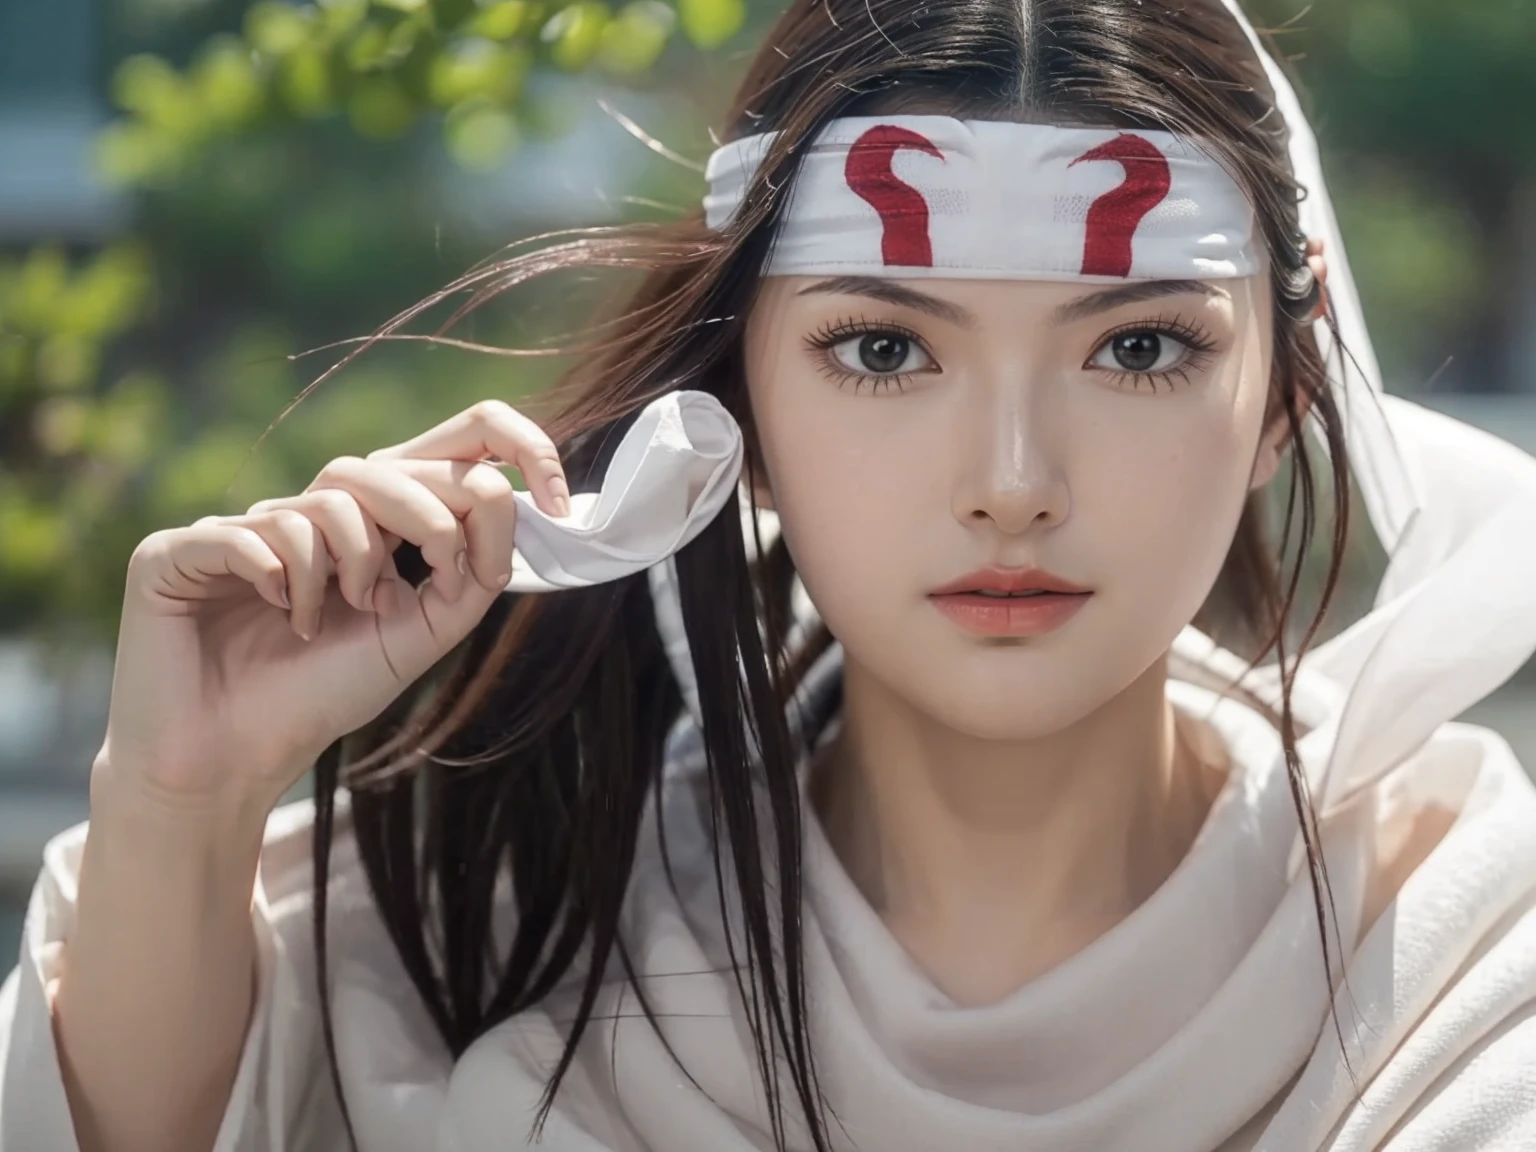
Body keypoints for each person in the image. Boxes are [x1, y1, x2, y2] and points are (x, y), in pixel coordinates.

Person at [5, 0, 1536, 1147]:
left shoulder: (1466, 948)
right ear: (741, 394)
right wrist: (181, 802)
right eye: (883, 349)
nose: (1011, 482)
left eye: (1140, 346)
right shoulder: (507, 905)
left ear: (1287, 382)